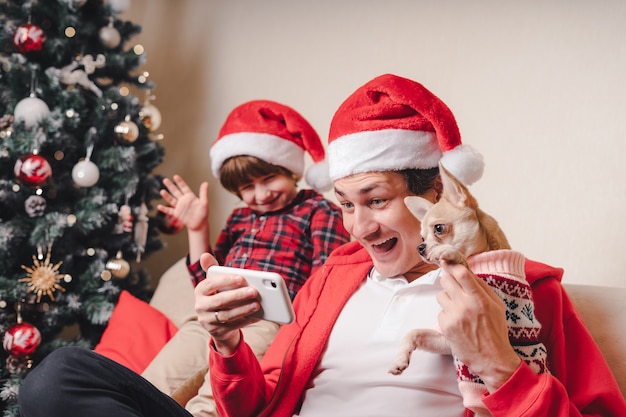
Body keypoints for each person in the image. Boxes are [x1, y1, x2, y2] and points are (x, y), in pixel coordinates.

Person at [17, 74, 626, 417]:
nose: (358, 228)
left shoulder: (521, 293)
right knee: (60, 376)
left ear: (433, 191)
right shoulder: (334, 278)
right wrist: (228, 348)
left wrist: (501, 367)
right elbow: (253, 403)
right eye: (345, 205)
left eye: (377, 200)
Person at [140, 100, 350, 415]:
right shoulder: (240, 218)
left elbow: (327, 278)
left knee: (211, 403)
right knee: (149, 386)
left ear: (291, 171)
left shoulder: (317, 210)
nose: (261, 195)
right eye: (247, 188)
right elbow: (204, 279)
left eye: (269, 180)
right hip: (211, 319)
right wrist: (197, 228)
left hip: (268, 322)